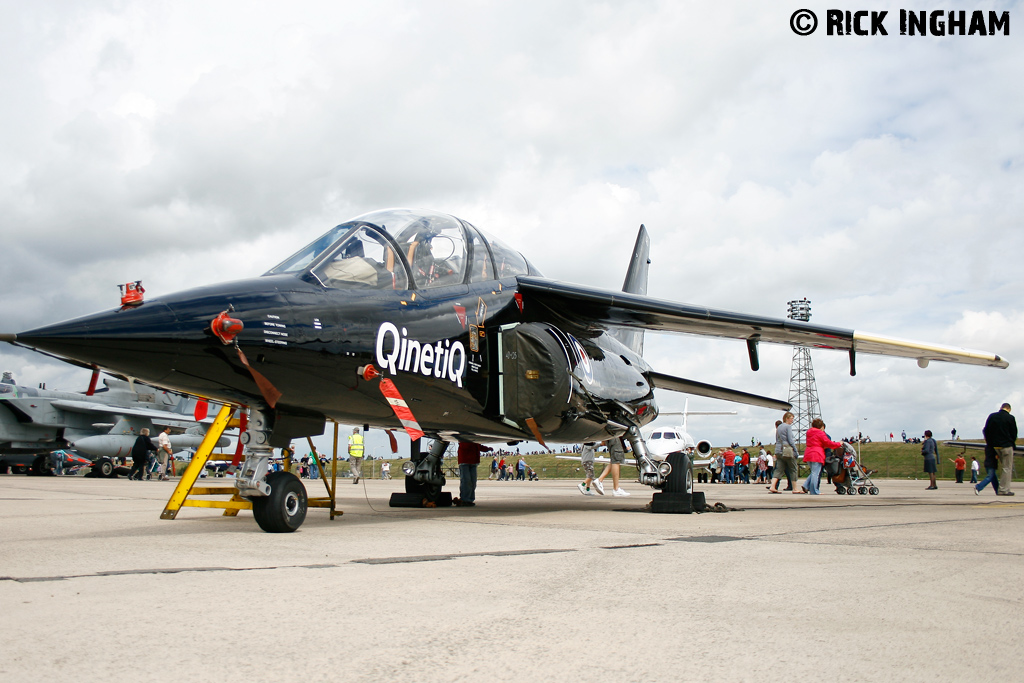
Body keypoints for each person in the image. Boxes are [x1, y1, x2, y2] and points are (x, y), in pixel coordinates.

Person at [800, 418, 843, 495]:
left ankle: (806, 485)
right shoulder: (821, 433)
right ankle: (814, 491)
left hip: (808, 453)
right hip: (817, 454)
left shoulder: (809, 432)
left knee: (813, 472)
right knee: (815, 474)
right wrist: (839, 443)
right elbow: (829, 444)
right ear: (821, 426)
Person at [983, 403, 1017, 496]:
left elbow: (986, 430)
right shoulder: (1010, 418)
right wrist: (1011, 443)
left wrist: (990, 443)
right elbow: (1014, 433)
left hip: (995, 447)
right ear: (1009, 409)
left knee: (1000, 467)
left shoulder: (992, 416)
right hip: (1006, 446)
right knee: (1007, 468)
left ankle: (999, 487)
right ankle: (1003, 490)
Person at [768, 413, 800, 494]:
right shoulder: (788, 427)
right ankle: (795, 488)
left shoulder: (779, 427)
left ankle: (773, 486)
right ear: (787, 418)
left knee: (778, 469)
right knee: (793, 468)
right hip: (787, 450)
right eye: (791, 418)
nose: (792, 420)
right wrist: (795, 451)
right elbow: (790, 440)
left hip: (778, 450)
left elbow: (777, 439)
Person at [453, 440, 490, 506]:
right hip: (465, 461)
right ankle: (465, 499)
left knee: (473, 482)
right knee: (466, 481)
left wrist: (486, 449)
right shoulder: (465, 439)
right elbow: (472, 446)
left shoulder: (473, 440)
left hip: (473, 462)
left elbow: (478, 446)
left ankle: (469, 499)